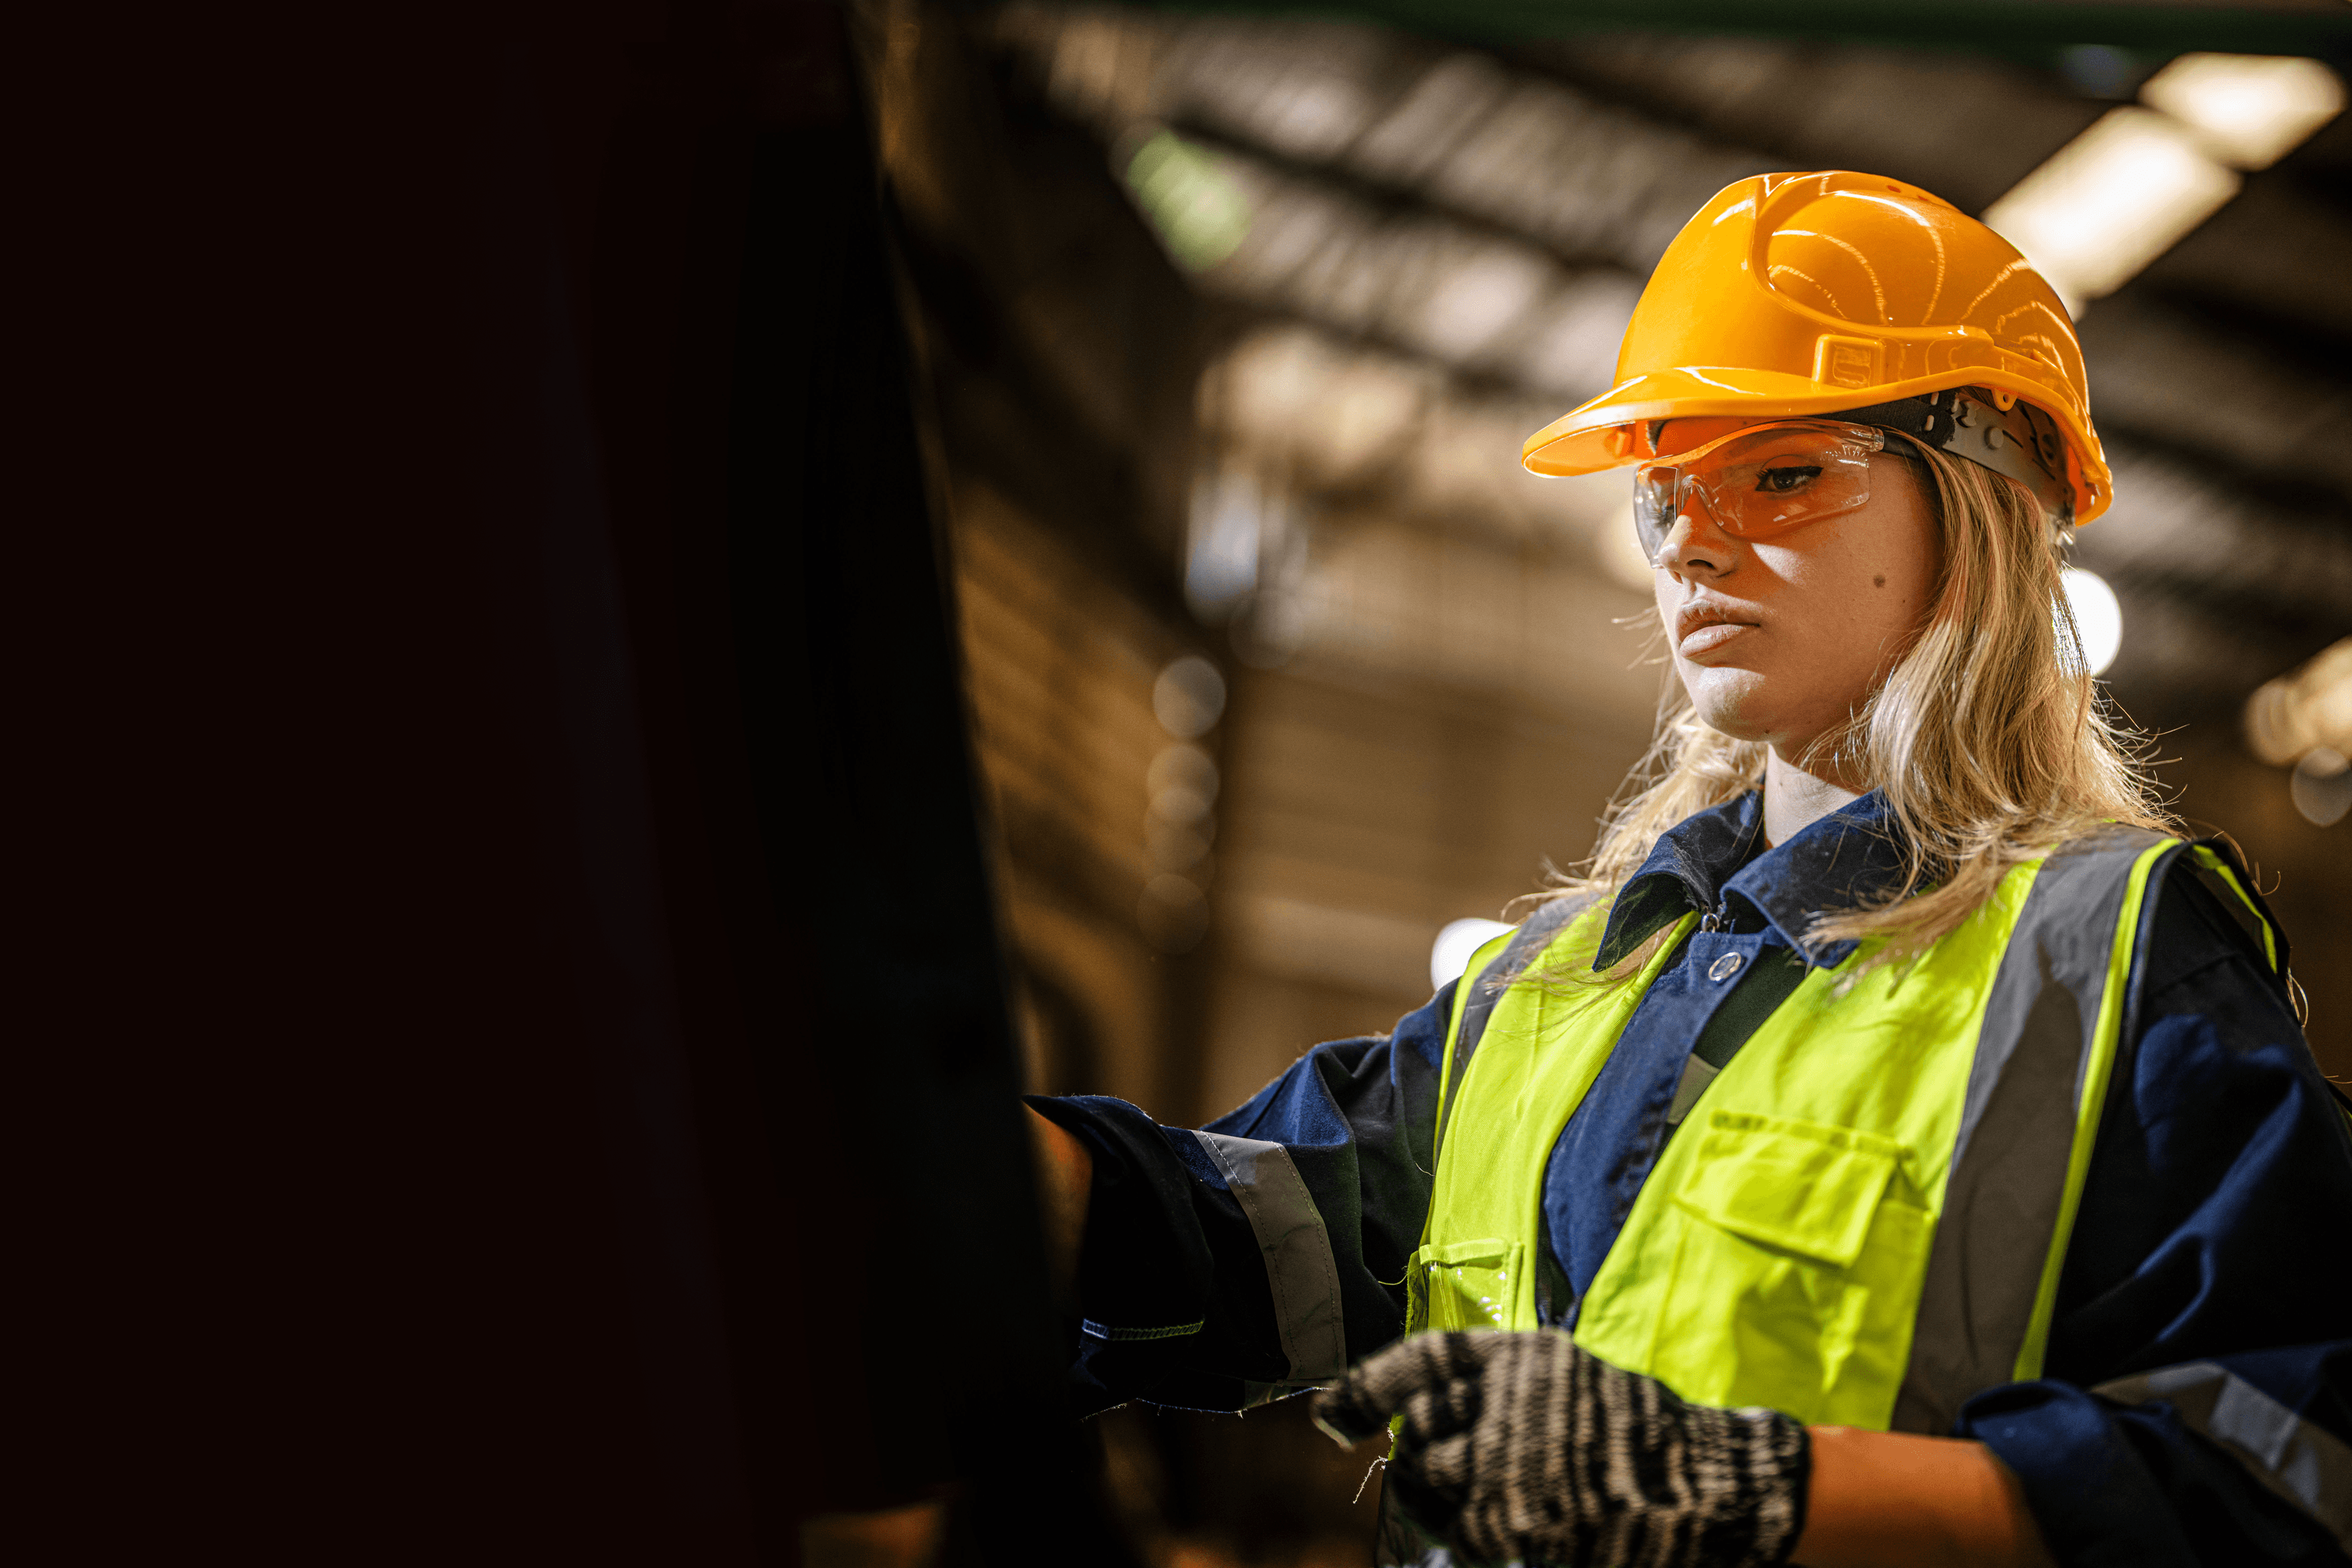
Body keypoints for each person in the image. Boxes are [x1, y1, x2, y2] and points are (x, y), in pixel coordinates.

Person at [1024, 170, 2352, 1567]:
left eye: (1782, 474)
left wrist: (1761, 1497)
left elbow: (2287, 1478)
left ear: (1984, 500)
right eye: (1668, 494)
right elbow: (1229, 1236)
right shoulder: (1561, 988)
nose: (1693, 544)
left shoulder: (2115, 958)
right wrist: (942, 1155)